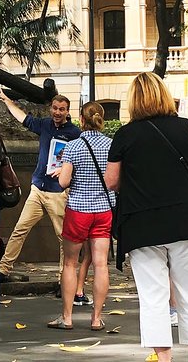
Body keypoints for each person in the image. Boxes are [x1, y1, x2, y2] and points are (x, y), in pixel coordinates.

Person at [105, 72, 188, 362]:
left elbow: (112, 181)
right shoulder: (185, 127)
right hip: (185, 218)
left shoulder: (125, 135)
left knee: (153, 295)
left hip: (143, 222)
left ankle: (163, 358)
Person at [0, 89, 81, 284]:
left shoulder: (75, 134)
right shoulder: (44, 125)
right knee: (20, 229)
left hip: (57, 193)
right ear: (51, 109)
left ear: (68, 111)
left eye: (62, 109)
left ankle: (64, 279)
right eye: (55, 108)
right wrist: (7, 100)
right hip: (37, 189)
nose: (58, 112)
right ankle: (3, 270)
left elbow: (80, 160)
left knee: (63, 238)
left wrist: (67, 171)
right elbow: (23, 118)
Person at [47, 102, 114, 331]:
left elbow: (64, 182)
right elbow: (115, 181)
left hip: (78, 210)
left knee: (70, 263)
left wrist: (63, 175)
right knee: (101, 264)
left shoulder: (74, 146)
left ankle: (67, 317)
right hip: (104, 210)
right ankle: (96, 318)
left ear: (81, 120)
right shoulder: (111, 145)